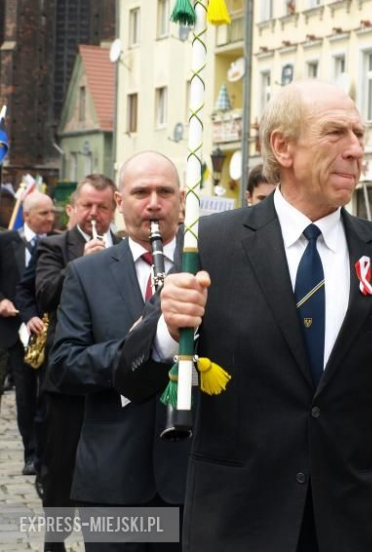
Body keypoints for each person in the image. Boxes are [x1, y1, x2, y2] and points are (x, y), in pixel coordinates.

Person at [113, 81, 372, 552]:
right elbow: (130, 378)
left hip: (354, 526)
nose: (356, 149)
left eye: (359, 134)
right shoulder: (211, 244)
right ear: (282, 146)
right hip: (239, 525)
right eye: (335, 133)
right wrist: (166, 329)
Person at [49, 153, 190, 551]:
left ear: (180, 199)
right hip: (114, 477)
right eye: (140, 192)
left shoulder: (208, 267)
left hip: (193, 479)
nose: (153, 203)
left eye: (164, 192)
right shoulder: (86, 273)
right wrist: (140, 347)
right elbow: (64, 366)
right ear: (118, 200)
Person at [33, 174, 121, 551]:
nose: (94, 215)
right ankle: (55, 542)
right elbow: (43, 294)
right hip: (67, 382)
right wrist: (82, 267)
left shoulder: (129, 246)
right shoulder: (55, 246)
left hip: (116, 374)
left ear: (114, 208)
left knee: (115, 465)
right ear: (72, 209)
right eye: (87, 206)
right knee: (62, 466)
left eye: (102, 207)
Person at [0, 191, 54, 475]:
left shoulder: (57, 242)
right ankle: (31, 453)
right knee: (25, 396)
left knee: (48, 395)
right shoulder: (6, 241)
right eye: (44, 213)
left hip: (50, 332)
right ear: (28, 215)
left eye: (52, 213)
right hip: (17, 333)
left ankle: (48, 451)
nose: (50, 218)